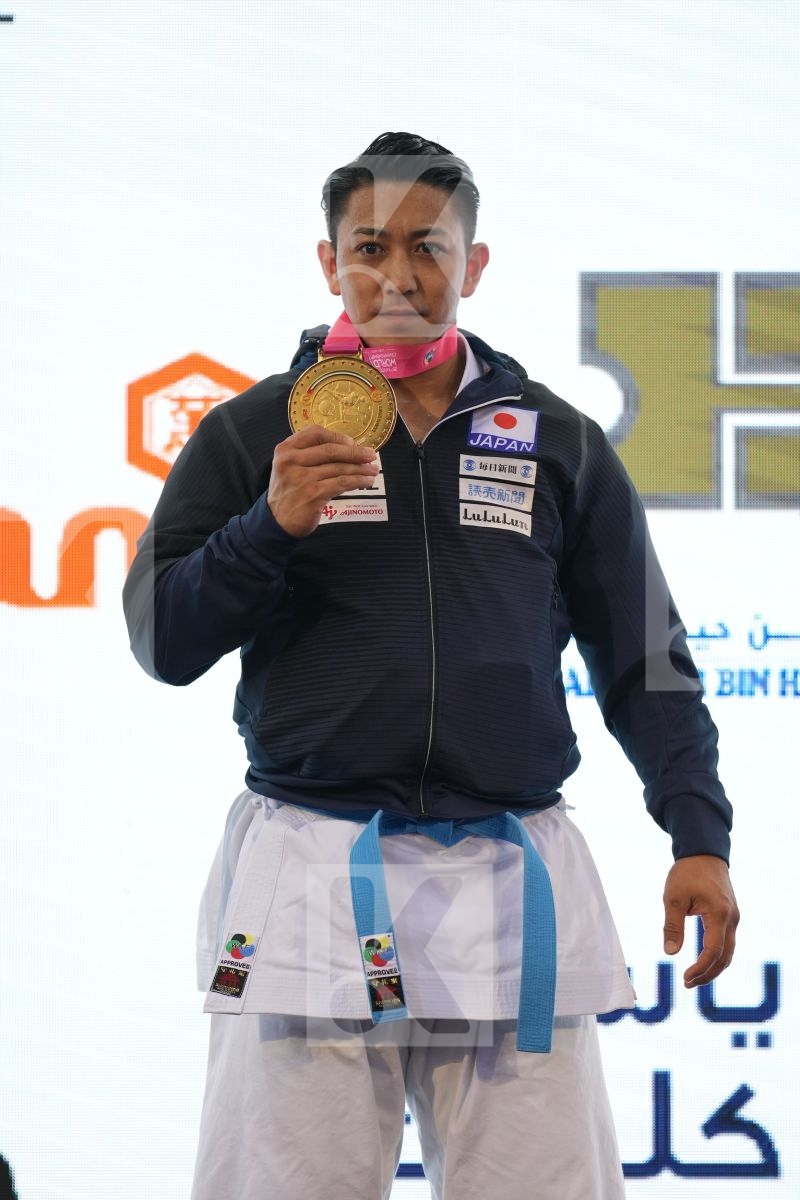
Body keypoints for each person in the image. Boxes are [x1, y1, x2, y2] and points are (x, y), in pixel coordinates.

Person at [122, 132, 739, 1200]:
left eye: (427, 247)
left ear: (475, 262)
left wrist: (696, 832)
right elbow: (164, 642)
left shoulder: (556, 439)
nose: (397, 275)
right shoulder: (252, 432)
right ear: (328, 263)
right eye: (369, 246)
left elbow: (644, 656)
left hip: (508, 878)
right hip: (310, 870)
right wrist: (266, 528)